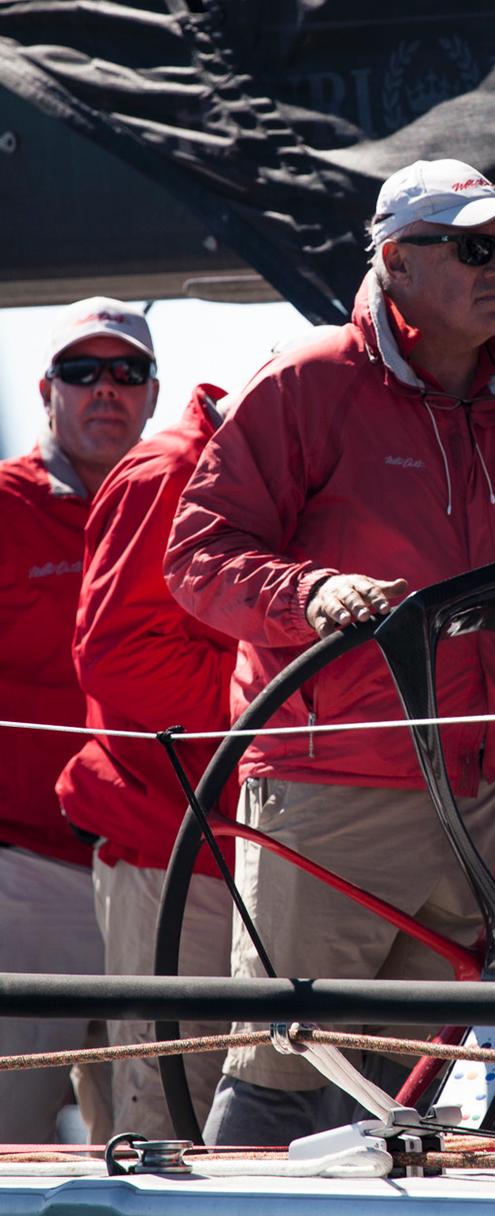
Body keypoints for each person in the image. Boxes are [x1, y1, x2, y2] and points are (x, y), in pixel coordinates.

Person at [165, 157, 495, 1145]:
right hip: (335, 788)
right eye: (473, 247)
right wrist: (308, 592)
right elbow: (199, 556)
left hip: (488, 794)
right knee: (287, 1066)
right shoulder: (307, 384)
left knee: (410, 1087)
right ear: (395, 260)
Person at [55, 383, 237, 1139]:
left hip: (268, 847)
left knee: (258, 1107)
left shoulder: (314, 471)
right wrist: (278, 713)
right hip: (171, 846)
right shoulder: (173, 470)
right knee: (163, 1122)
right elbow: (119, 654)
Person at [0, 297, 158, 1143]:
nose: (107, 389)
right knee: (9, 1143)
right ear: (46, 391)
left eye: (127, 371)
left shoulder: (191, 508)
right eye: (82, 371)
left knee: (150, 1147)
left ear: (152, 393)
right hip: (28, 881)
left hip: (158, 874)